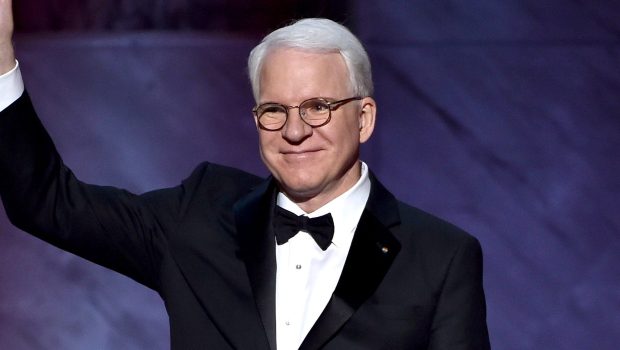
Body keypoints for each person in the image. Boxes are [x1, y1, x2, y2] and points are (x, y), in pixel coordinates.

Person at [0, 1, 490, 349]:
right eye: (275, 109)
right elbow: (47, 203)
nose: (295, 130)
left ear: (364, 118)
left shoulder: (441, 255)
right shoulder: (198, 217)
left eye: (318, 107)